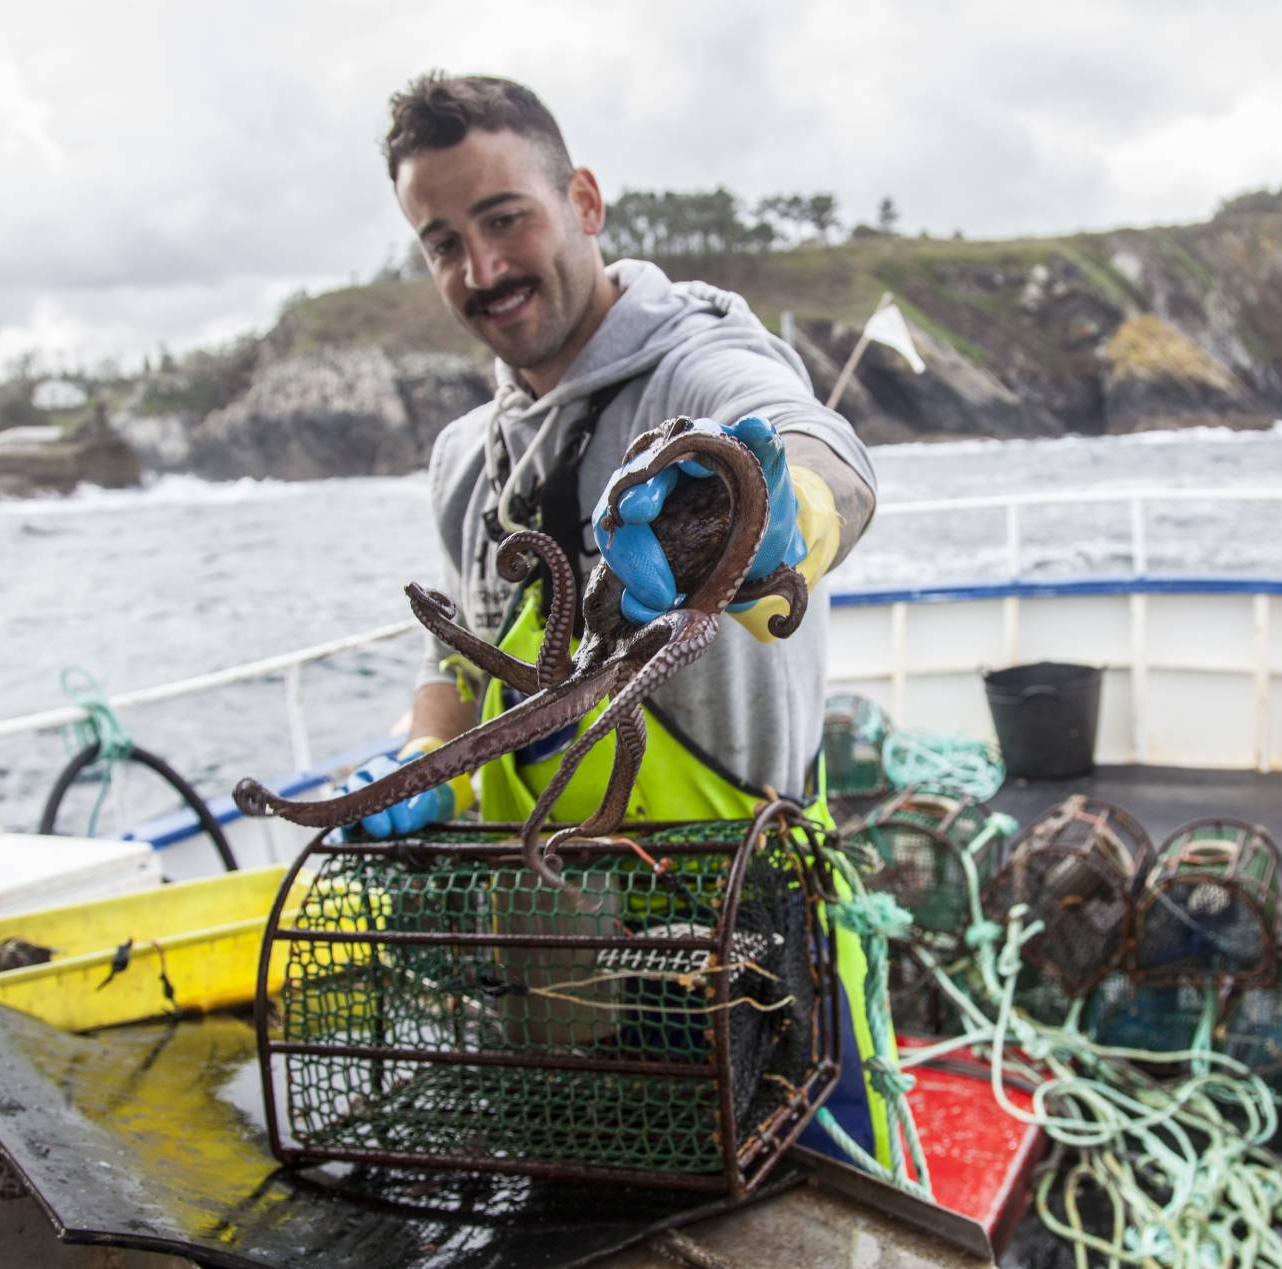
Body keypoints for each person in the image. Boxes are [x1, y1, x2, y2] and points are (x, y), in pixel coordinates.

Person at [341, 73, 894, 1168]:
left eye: (505, 219)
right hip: (558, 959)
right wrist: (424, 753)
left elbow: (827, 451)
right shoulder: (465, 459)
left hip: (749, 934)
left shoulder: (695, 362)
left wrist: (777, 518)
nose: (483, 268)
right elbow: (453, 643)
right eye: (443, 240)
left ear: (584, 201)